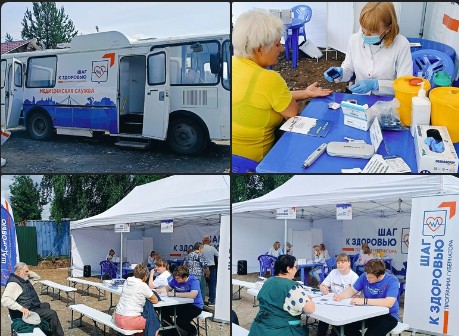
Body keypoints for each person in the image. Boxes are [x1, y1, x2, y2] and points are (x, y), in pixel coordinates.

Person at [232, 9, 333, 163]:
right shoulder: (268, 78)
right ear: (259, 50)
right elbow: (292, 113)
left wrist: (306, 93)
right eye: (277, 44)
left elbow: (266, 99)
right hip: (254, 160)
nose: (281, 49)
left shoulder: (233, 64)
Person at [324, 2, 412, 96]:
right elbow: (348, 70)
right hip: (360, 99)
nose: (365, 35)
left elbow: (404, 85)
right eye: (363, 29)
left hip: (387, 101)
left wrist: (377, 85)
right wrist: (340, 73)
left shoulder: (401, 44)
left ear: (388, 29)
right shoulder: (354, 40)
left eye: (371, 32)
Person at [249, 254, 315, 335]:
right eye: (295, 267)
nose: (296, 270)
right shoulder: (291, 287)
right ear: (288, 269)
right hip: (282, 331)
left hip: (259, 329)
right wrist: (309, 300)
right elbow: (309, 309)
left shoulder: (268, 281)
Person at [333, 259, 399, 336]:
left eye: (370, 277)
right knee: (343, 326)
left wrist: (364, 301)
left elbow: (389, 303)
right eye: (367, 276)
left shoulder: (392, 280)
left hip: (389, 315)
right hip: (369, 313)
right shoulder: (365, 275)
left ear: (380, 276)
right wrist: (341, 295)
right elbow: (352, 290)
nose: (367, 279)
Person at [1, 262, 65, 336]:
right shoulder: (14, 284)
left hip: (31, 307)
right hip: (23, 313)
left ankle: (44, 329)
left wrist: (27, 272)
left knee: (46, 305)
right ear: (18, 271)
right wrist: (21, 308)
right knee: (52, 314)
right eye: (26, 271)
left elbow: (37, 278)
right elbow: (5, 300)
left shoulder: (22, 279)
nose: (28, 273)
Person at [317, 254, 359, 336]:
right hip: (333, 303)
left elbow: (357, 295)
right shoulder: (333, 272)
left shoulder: (354, 277)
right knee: (323, 317)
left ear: (349, 263)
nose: (340, 264)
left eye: (343, 262)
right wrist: (323, 288)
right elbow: (323, 285)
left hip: (346, 307)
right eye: (338, 262)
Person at [114, 264, 159, 336]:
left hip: (117, 317)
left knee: (142, 323)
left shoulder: (127, 282)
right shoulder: (142, 285)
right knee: (154, 323)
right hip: (129, 320)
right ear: (145, 276)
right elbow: (155, 300)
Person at [157, 265, 203, 336]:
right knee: (162, 310)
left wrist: (175, 294)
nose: (176, 280)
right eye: (175, 278)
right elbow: (168, 288)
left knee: (180, 321)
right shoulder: (175, 279)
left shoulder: (193, 280)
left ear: (185, 277)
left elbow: (193, 295)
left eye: (178, 279)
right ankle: (172, 331)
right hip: (181, 304)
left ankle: (192, 331)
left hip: (195, 306)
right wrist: (159, 291)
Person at [202, 235, 219, 306]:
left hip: (202, 268)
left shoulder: (201, 248)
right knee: (212, 285)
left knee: (202, 285)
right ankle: (211, 301)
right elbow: (218, 255)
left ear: (203, 241)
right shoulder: (212, 248)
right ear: (209, 241)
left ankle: (202, 300)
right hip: (211, 267)